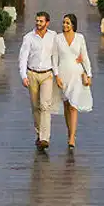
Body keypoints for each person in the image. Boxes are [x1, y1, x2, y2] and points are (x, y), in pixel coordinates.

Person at [18, 10, 59, 151]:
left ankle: (44, 138)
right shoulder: (28, 38)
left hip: (47, 74)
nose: (38, 23)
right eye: (37, 21)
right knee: (35, 107)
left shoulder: (53, 36)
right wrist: (23, 76)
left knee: (45, 106)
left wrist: (58, 73)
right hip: (32, 74)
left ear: (47, 23)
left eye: (41, 21)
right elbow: (23, 58)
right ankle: (39, 133)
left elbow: (57, 55)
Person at [53, 13, 93, 150]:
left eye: (68, 23)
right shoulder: (57, 38)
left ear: (73, 25)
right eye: (64, 22)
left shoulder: (80, 38)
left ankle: (72, 137)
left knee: (73, 106)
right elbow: (54, 59)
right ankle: (69, 132)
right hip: (63, 74)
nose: (65, 25)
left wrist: (89, 74)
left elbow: (85, 56)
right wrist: (56, 75)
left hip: (77, 74)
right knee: (66, 104)